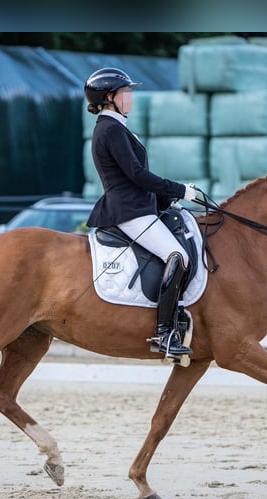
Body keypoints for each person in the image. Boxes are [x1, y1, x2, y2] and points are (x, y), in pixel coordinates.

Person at [84, 67, 200, 359]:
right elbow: (136, 175)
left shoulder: (116, 127)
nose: (131, 97)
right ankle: (164, 333)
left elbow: (135, 177)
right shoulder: (109, 129)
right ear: (109, 98)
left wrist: (165, 199)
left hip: (140, 206)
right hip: (130, 212)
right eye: (125, 93)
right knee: (178, 256)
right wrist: (178, 190)